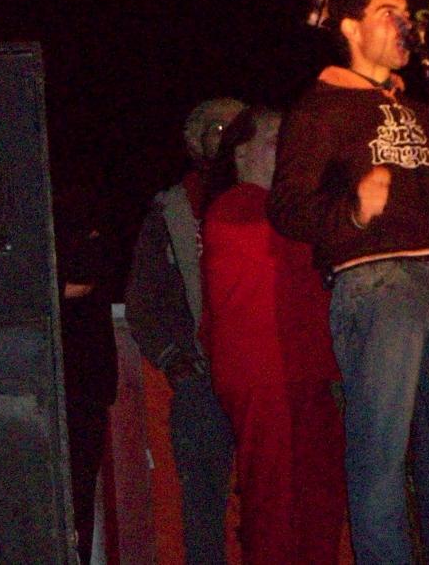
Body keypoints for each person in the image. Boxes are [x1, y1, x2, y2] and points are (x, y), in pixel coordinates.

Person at [267, 0, 429, 564]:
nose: (404, 23)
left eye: (407, 13)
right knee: (381, 456)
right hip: (378, 283)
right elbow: (287, 207)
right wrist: (352, 211)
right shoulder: (321, 107)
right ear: (351, 28)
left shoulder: (421, 109)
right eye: (388, 12)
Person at [199, 106, 347, 564]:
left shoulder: (283, 209)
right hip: (265, 375)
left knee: (319, 498)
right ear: (240, 152)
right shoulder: (236, 207)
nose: (288, 150)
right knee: (275, 501)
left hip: (305, 370)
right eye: (275, 139)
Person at [124, 98, 242, 564]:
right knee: (203, 511)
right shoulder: (172, 209)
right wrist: (174, 359)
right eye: (219, 129)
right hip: (202, 380)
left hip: (264, 375)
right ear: (196, 143)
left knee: (276, 503)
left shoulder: (274, 203)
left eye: (239, 129)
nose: (229, 138)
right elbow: (142, 300)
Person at [53, 183, 118, 565]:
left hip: (82, 382)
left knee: (77, 497)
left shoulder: (81, 217)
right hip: (62, 382)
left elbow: (84, 281)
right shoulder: (61, 219)